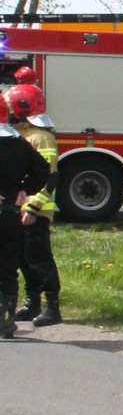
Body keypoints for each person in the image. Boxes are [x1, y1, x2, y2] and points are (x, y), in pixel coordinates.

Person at [8, 84, 60, 325]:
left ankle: (52, 307)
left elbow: (50, 178)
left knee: (40, 259)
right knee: (22, 258)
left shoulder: (41, 138)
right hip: (17, 211)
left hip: (35, 213)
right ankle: (32, 303)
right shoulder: (18, 135)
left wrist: (33, 208)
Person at [0, 91, 50, 338]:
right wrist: (24, 189)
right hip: (10, 215)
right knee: (8, 267)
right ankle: (6, 321)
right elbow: (42, 170)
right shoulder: (18, 141)